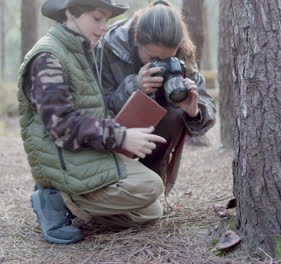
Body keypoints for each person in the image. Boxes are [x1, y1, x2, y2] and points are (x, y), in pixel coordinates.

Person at [17, 0, 168, 244]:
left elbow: (89, 110)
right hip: (62, 159)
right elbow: (62, 127)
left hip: (84, 153)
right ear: (69, 12)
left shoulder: (81, 50)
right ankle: (58, 197)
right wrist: (120, 136)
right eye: (97, 18)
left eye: (107, 20)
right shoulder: (48, 57)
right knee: (150, 187)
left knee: (151, 211)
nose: (103, 27)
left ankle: (76, 206)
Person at [100, 0, 216, 194]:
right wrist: (134, 87)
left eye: (165, 58)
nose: (159, 63)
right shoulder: (109, 45)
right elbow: (98, 108)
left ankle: (149, 188)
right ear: (137, 40)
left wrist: (194, 112)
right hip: (113, 136)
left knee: (175, 116)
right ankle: (112, 184)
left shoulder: (182, 50)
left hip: (157, 134)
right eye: (152, 58)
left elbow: (207, 108)